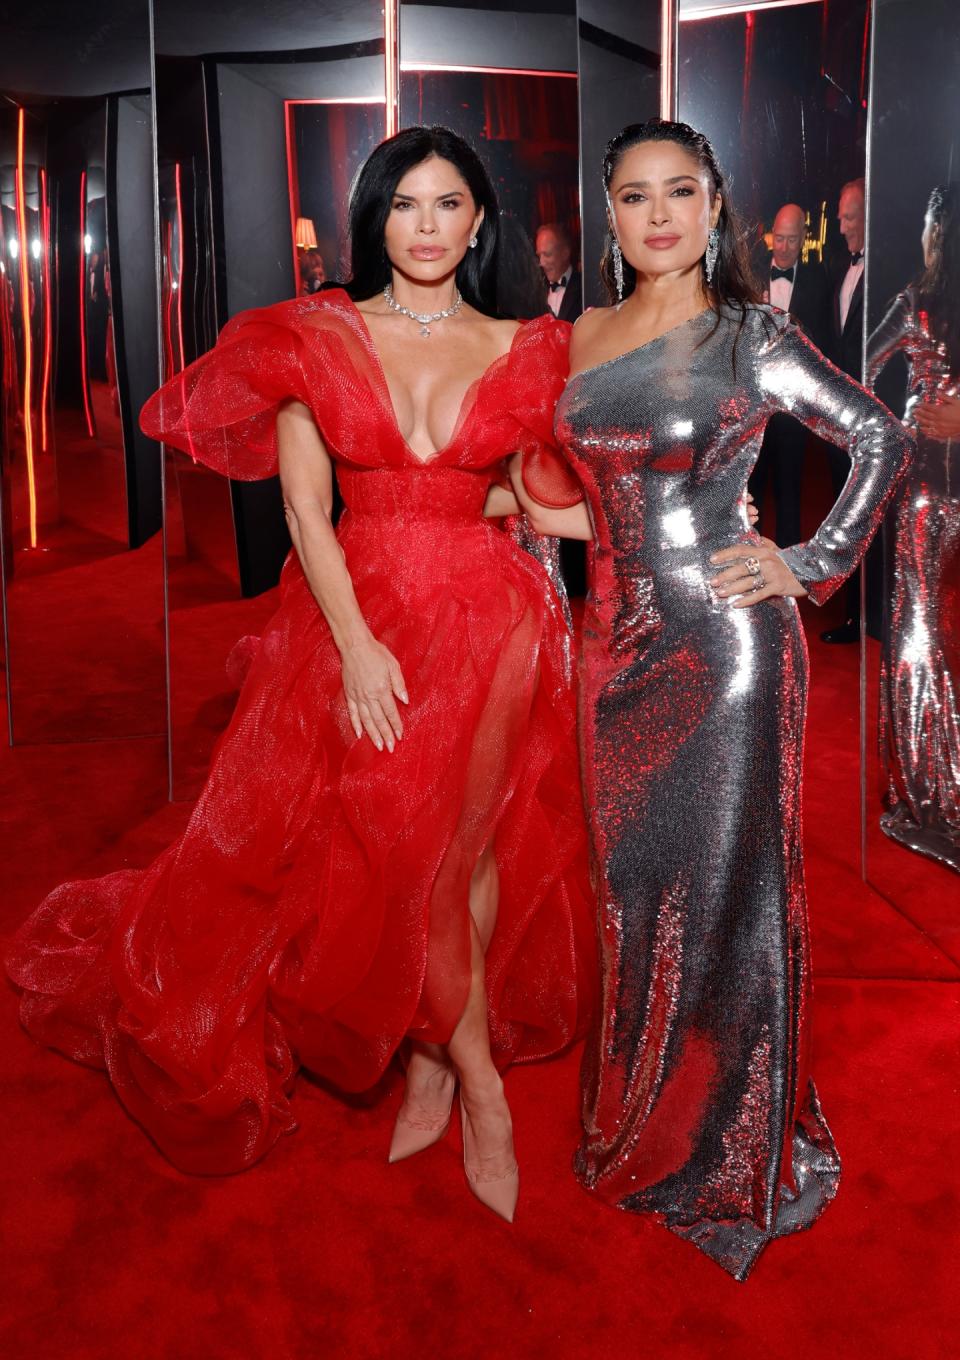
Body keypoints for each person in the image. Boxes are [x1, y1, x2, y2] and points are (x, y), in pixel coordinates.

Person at [4, 126, 599, 1222]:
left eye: (448, 204)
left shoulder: (527, 344)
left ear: (481, 222)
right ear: (376, 216)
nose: (426, 226)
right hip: (354, 617)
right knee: (391, 846)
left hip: (493, 618)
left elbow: (528, 494)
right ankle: (477, 1079)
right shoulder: (314, 334)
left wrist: (671, 521)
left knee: (464, 848)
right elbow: (302, 511)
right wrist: (359, 644)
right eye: (405, 204)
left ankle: (440, 1061)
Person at [510, 118, 912, 1279]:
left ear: (716, 204)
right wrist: (536, 522)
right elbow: (605, 492)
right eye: (633, 196)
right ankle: (646, 1119)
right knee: (636, 894)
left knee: (732, 895)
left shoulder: (749, 332)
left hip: (730, 646)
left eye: (679, 191)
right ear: (610, 215)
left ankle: (733, 1142)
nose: (658, 216)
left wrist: (811, 559)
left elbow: (875, 436)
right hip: (613, 643)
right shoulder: (580, 333)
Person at [866, 183, 960, 872]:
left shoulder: (914, 303)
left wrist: (899, 431)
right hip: (928, 493)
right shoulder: (913, 303)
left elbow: (853, 381)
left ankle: (936, 797)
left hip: (930, 496)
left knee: (922, 640)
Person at [749, 202, 831, 546]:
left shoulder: (820, 282)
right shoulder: (748, 277)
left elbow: (822, 345)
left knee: (790, 495)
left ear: (803, 240)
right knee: (749, 497)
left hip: (793, 411)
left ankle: (785, 574)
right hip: (752, 407)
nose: (783, 248)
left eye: (791, 240)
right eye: (778, 239)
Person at [823, 177, 871, 642]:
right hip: (842, 418)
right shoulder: (839, 266)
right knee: (845, 509)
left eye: (849, 216)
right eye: (840, 216)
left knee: (869, 511)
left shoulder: (888, 270)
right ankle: (855, 614)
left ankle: (869, 614)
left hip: (873, 416)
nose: (840, 226)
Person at [535, 221, 582, 322]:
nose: (541, 263)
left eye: (547, 254)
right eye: (539, 256)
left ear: (565, 253)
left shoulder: (583, 288)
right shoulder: (535, 291)